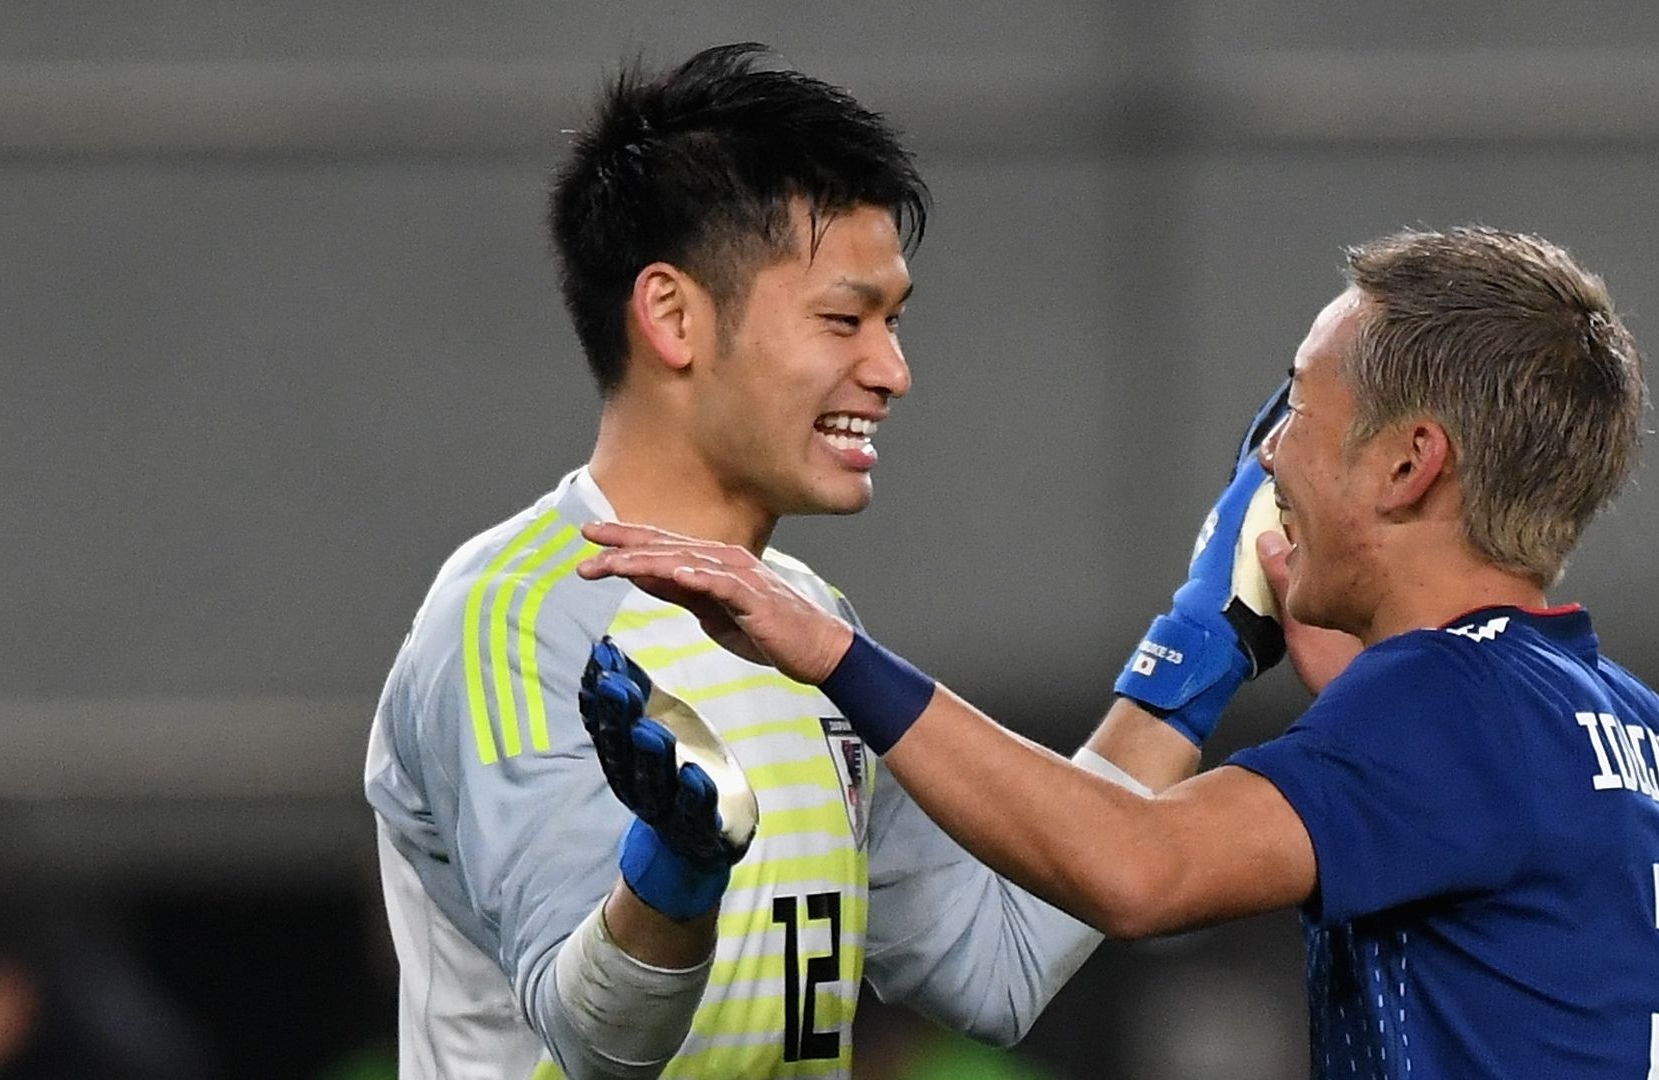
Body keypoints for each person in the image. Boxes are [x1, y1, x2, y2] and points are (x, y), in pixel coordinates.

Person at [581, 226, 1659, 1078]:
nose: (1270, 453)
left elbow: (1137, 870)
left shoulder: (1446, 709)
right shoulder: (1620, 718)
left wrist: (831, 653)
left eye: (1302, 416)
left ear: (1409, 464)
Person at [363, 42, 1175, 1080]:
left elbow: (999, 963)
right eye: (845, 319)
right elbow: (598, 1041)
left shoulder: (807, 623)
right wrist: (680, 867)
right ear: (672, 315)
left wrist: (1209, 636)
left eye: (894, 321)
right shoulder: (515, 617)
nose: (892, 372)